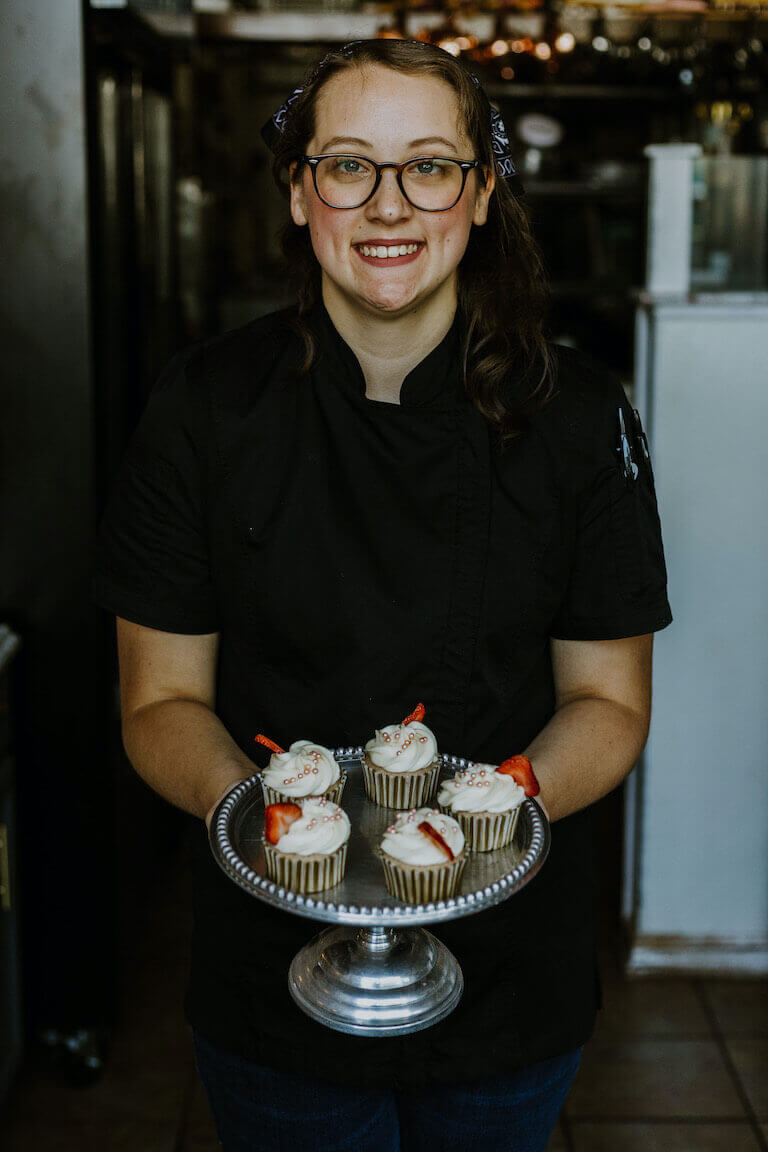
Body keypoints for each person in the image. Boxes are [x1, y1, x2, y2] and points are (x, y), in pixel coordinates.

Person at [92, 38, 672, 1152]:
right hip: (273, 976)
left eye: (430, 165)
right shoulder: (207, 409)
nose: (388, 203)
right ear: (302, 192)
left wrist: (475, 822)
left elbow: (610, 702)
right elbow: (159, 702)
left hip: (511, 977)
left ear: (482, 190)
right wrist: (281, 826)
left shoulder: (580, 416)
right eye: (350, 164)